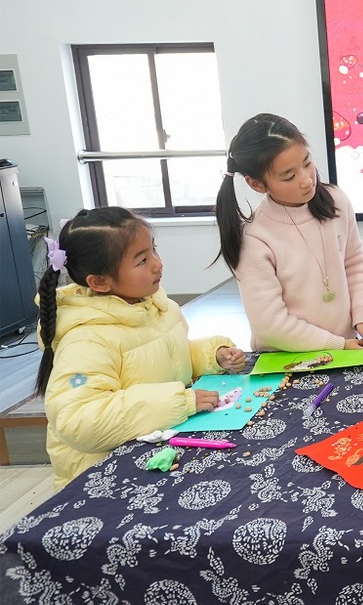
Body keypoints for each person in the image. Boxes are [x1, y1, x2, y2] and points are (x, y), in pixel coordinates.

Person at [35, 208, 244, 490]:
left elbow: (169, 360)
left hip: (154, 453)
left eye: (153, 250)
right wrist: (178, 402)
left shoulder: (157, 307)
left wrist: (213, 355)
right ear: (100, 281)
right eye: (142, 260)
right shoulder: (86, 340)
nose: (158, 264)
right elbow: (78, 421)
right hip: (104, 480)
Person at [215, 113, 363, 352]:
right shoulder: (254, 237)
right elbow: (271, 326)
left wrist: (362, 317)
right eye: (289, 176)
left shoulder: (336, 201)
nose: (306, 180)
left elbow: (353, 262)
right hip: (285, 358)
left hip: (344, 347)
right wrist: (338, 345)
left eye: (307, 162)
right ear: (256, 184)